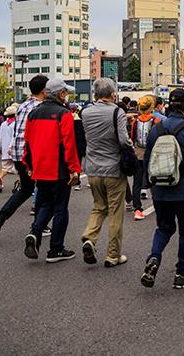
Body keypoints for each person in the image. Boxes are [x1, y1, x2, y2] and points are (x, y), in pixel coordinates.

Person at [140, 89, 184, 289]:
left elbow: (147, 159)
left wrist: (148, 184)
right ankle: (182, 273)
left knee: (164, 227)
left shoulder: (157, 128)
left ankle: (154, 257)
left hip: (161, 188)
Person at [22, 78, 82, 263]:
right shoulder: (64, 114)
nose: (67, 95)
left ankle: (35, 232)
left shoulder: (33, 113)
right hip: (59, 168)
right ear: (61, 94)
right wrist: (74, 169)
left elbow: (27, 143)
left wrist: (29, 165)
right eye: (65, 92)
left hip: (40, 167)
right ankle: (55, 249)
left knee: (46, 204)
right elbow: (69, 144)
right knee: (60, 208)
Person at [0, 75, 49, 242]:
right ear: (44, 90)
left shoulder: (23, 105)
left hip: (17, 153)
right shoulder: (41, 107)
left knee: (27, 189)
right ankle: (39, 225)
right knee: (43, 188)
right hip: (31, 153)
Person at [80, 78, 133, 268]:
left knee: (98, 207)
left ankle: (89, 238)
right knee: (115, 212)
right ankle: (113, 255)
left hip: (92, 168)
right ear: (112, 94)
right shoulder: (117, 112)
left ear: (95, 94)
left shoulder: (85, 112)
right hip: (113, 168)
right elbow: (123, 140)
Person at [128, 95, 161, 220]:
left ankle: (137, 208)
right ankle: (158, 204)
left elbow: (132, 137)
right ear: (151, 107)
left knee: (137, 182)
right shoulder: (156, 121)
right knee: (154, 181)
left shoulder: (135, 121)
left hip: (138, 153)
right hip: (153, 155)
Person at [0, 104, 18, 190]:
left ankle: (0, 178)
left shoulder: (3, 124)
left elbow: (0, 137)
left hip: (5, 150)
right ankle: (20, 184)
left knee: (5, 167)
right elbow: (14, 136)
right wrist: (11, 147)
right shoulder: (16, 124)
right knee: (20, 168)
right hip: (14, 149)